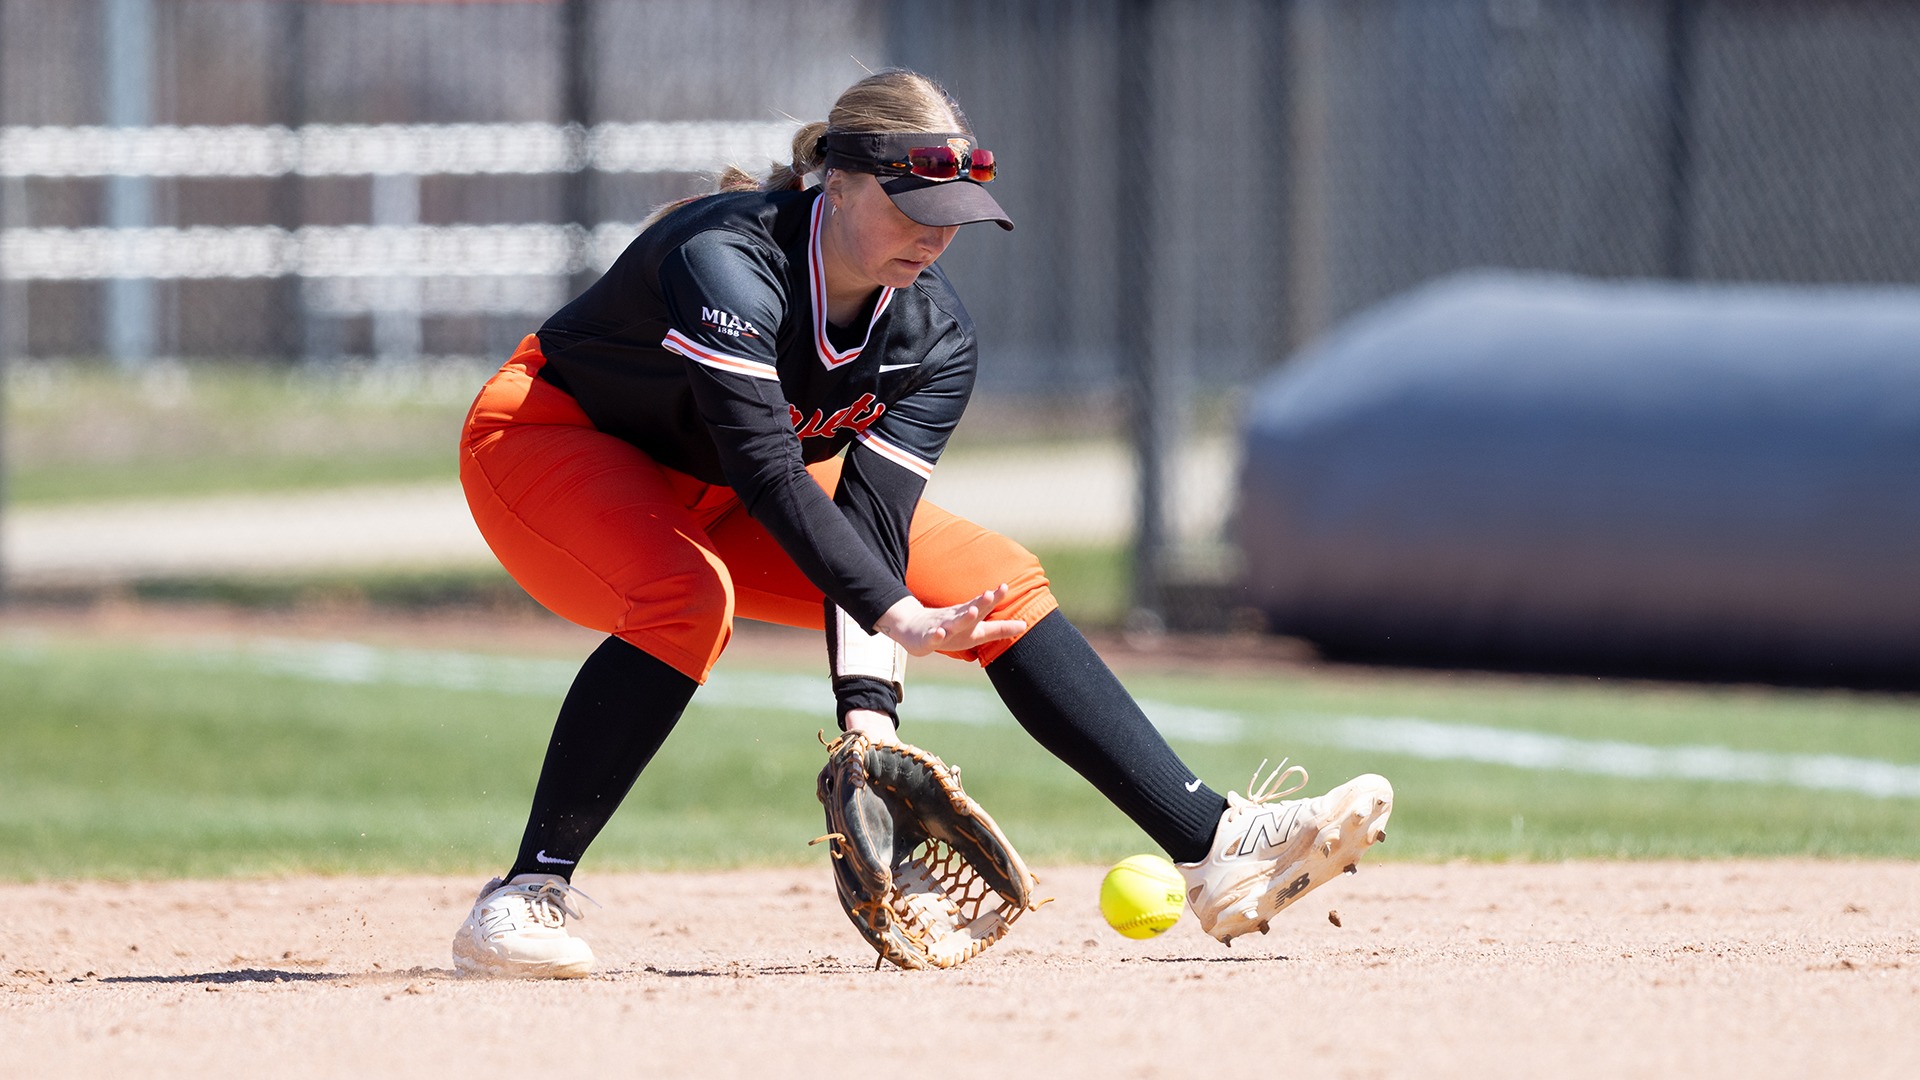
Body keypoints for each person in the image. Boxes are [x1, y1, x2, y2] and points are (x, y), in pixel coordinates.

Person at [450, 69, 1392, 978]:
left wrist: (869, 722)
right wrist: (898, 619)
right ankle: (526, 894)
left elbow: (870, 521)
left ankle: (1213, 845)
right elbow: (774, 474)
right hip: (552, 439)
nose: (933, 238)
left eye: (954, 220)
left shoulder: (933, 337)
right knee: (685, 598)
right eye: (910, 208)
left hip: (726, 484)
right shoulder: (726, 259)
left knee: (999, 580)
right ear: (840, 180)